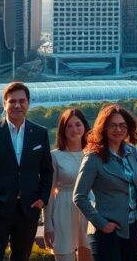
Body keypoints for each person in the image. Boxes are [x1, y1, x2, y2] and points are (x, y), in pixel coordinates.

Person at [0, 81, 54, 261]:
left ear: (28, 103)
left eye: (22, 101)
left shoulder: (40, 133)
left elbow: (47, 170)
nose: (17, 105)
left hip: (28, 209)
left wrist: (42, 199)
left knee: (21, 257)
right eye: (12, 101)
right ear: (4, 104)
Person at [73, 104, 137, 261]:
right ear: (103, 128)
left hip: (132, 227)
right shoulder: (93, 157)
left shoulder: (132, 151)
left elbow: (134, 186)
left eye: (122, 125)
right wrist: (102, 224)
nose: (118, 129)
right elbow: (79, 196)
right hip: (106, 231)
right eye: (113, 125)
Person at [44, 108, 93, 261]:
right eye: (69, 126)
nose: (74, 129)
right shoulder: (55, 156)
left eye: (78, 124)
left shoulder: (94, 154)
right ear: (62, 130)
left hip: (90, 210)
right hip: (63, 210)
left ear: (84, 126)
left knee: (90, 255)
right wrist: (48, 225)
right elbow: (49, 192)